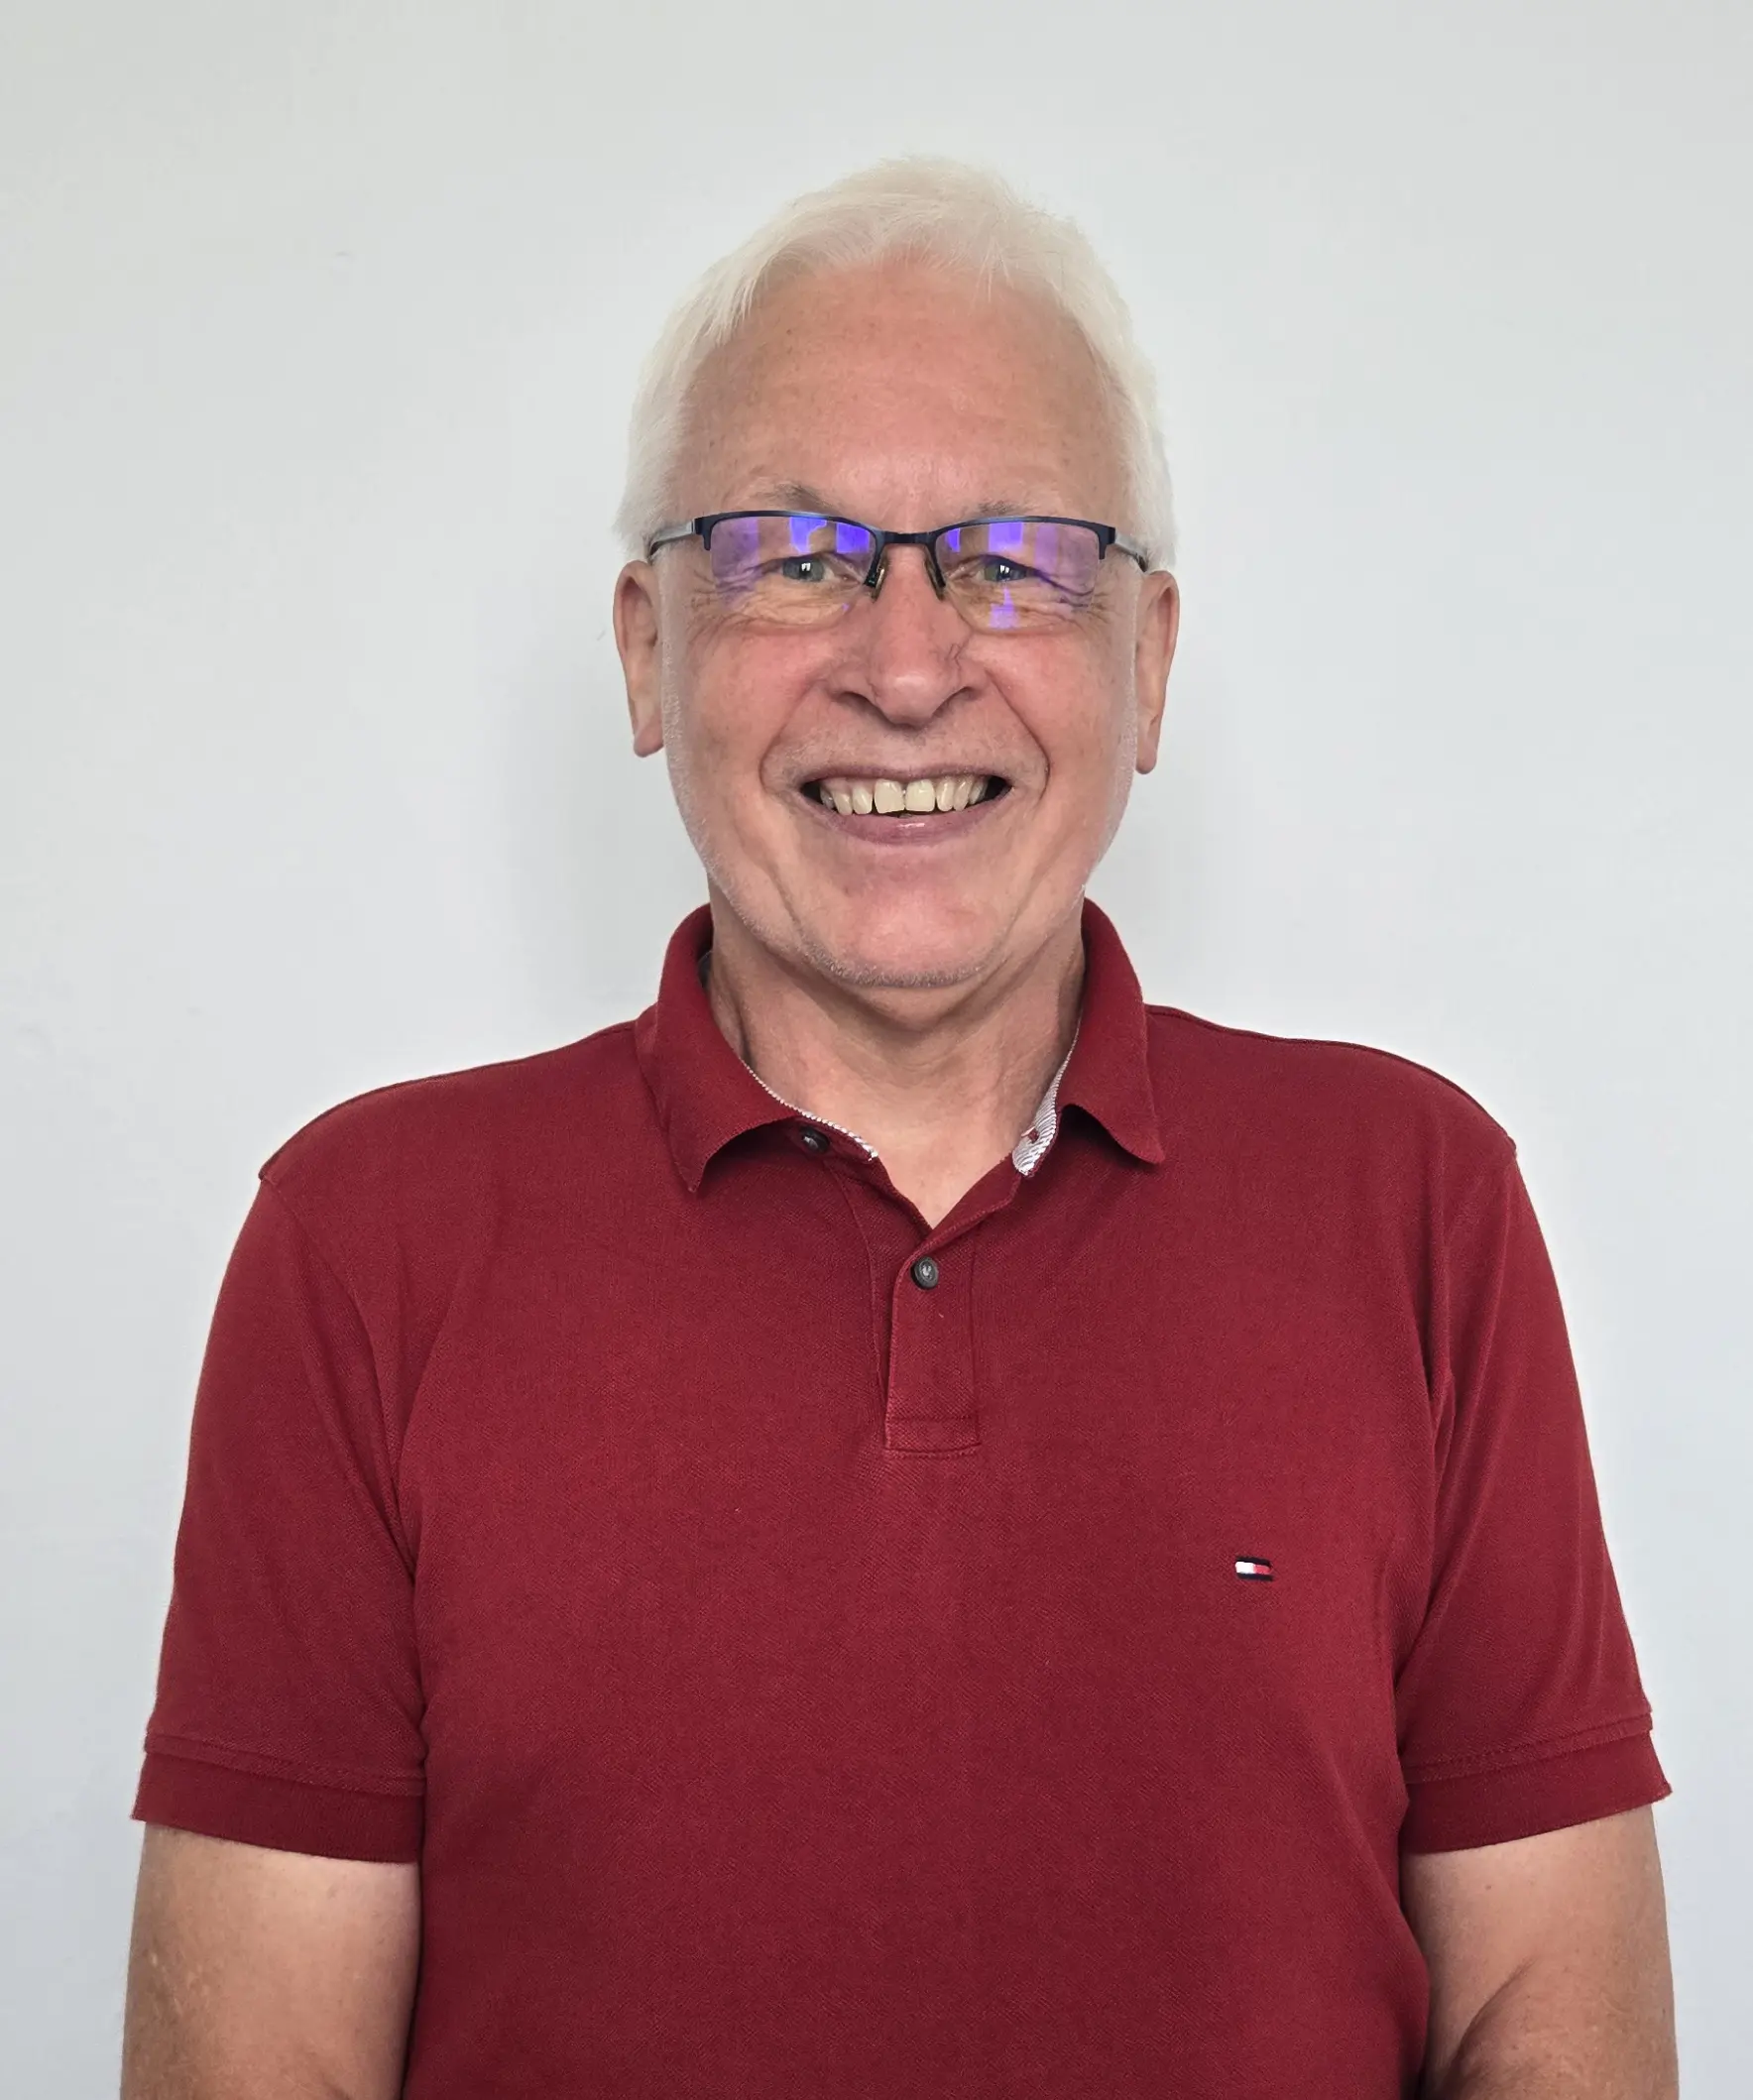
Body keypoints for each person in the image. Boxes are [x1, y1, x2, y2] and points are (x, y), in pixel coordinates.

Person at [122, 159, 1676, 2100]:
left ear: (1149, 663)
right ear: (641, 648)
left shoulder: (1409, 1204)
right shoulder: (366, 1246)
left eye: (1013, 558)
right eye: (791, 551)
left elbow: (1554, 2028)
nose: (909, 660)